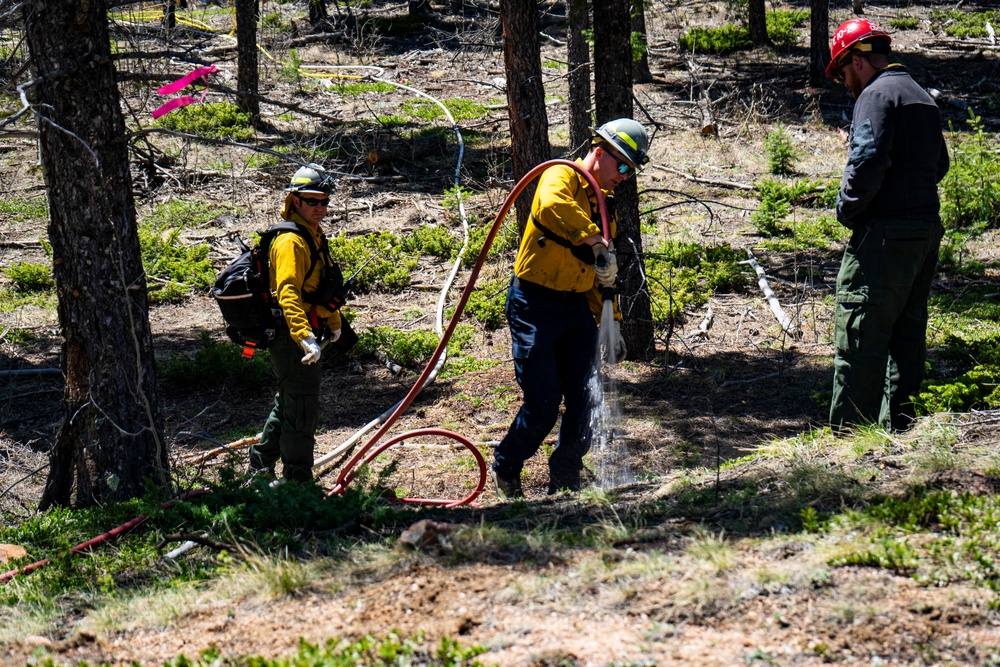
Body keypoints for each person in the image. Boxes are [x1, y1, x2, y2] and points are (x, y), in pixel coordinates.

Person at [490, 118, 650, 498]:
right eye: (622, 165)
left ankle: (565, 477)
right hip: (535, 304)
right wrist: (596, 243)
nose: (625, 176)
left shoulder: (600, 206)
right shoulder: (561, 176)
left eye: (632, 170)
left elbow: (601, 280)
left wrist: (612, 324)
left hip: (575, 308)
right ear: (600, 152)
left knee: (585, 399)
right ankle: (506, 466)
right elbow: (550, 206)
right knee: (543, 402)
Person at [825, 19, 950, 432]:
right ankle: (903, 432)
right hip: (924, 229)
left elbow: (867, 159)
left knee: (860, 333)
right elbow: (941, 165)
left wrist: (848, 209)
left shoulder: (876, 95)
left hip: (883, 235)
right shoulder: (920, 96)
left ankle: (848, 442)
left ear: (856, 61)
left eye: (843, 73)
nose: (845, 83)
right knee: (906, 336)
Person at [249, 164, 344, 484]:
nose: (321, 207)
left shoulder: (312, 235)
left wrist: (333, 322)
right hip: (292, 337)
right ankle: (297, 482)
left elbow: (321, 289)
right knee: (301, 408)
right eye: (313, 201)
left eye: (325, 201)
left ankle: (260, 465)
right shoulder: (291, 241)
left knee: (288, 400)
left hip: (305, 331)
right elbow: (288, 292)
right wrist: (304, 336)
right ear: (296, 201)